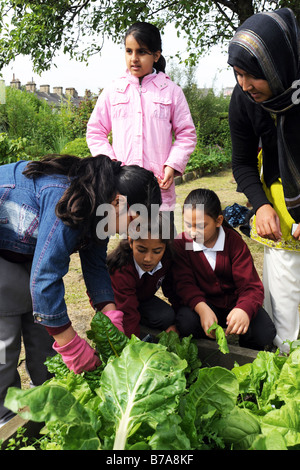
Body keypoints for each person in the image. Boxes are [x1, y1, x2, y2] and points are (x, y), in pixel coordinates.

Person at [0, 153, 161, 427]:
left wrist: (111, 314)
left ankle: (49, 412)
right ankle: (5, 420)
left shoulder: (102, 204)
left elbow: (96, 264)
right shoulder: (67, 196)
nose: (130, 233)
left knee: (46, 336)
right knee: (5, 340)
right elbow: (45, 278)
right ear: (120, 203)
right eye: (134, 223)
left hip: (24, 251)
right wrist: (72, 345)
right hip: (6, 249)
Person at [227, 7, 300, 353]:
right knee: (284, 318)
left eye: (251, 75)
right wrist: (261, 206)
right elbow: (241, 163)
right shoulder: (244, 100)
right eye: (238, 75)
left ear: (276, 64)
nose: (244, 85)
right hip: (282, 214)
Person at [86, 21, 197, 213]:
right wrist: (111, 165)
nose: (134, 58)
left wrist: (172, 165)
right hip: (123, 187)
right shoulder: (113, 91)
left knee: (161, 240)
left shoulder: (171, 92)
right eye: (129, 51)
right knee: (130, 241)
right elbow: (95, 131)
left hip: (159, 186)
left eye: (142, 52)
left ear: (156, 55)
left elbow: (186, 134)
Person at [172, 189, 276, 350]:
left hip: (233, 304)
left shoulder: (233, 242)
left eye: (200, 226)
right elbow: (184, 285)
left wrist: (243, 309)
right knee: (186, 322)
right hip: (204, 305)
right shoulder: (181, 244)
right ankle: (206, 345)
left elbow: (251, 286)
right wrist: (202, 308)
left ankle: (246, 347)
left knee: (265, 332)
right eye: (187, 225)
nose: (192, 232)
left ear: (218, 221)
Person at [107, 212, 179, 338]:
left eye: (157, 251)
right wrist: (134, 347)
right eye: (141, 250)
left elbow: (173, 289)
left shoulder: (168, 258)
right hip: (114, 300)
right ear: (130, 242)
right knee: (121, 321)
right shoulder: (121, 269)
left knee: (166, 316)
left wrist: (178, 323)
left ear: (165, 247)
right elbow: (127, 310)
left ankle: (137, 320)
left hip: (141, 298)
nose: (148, 259)